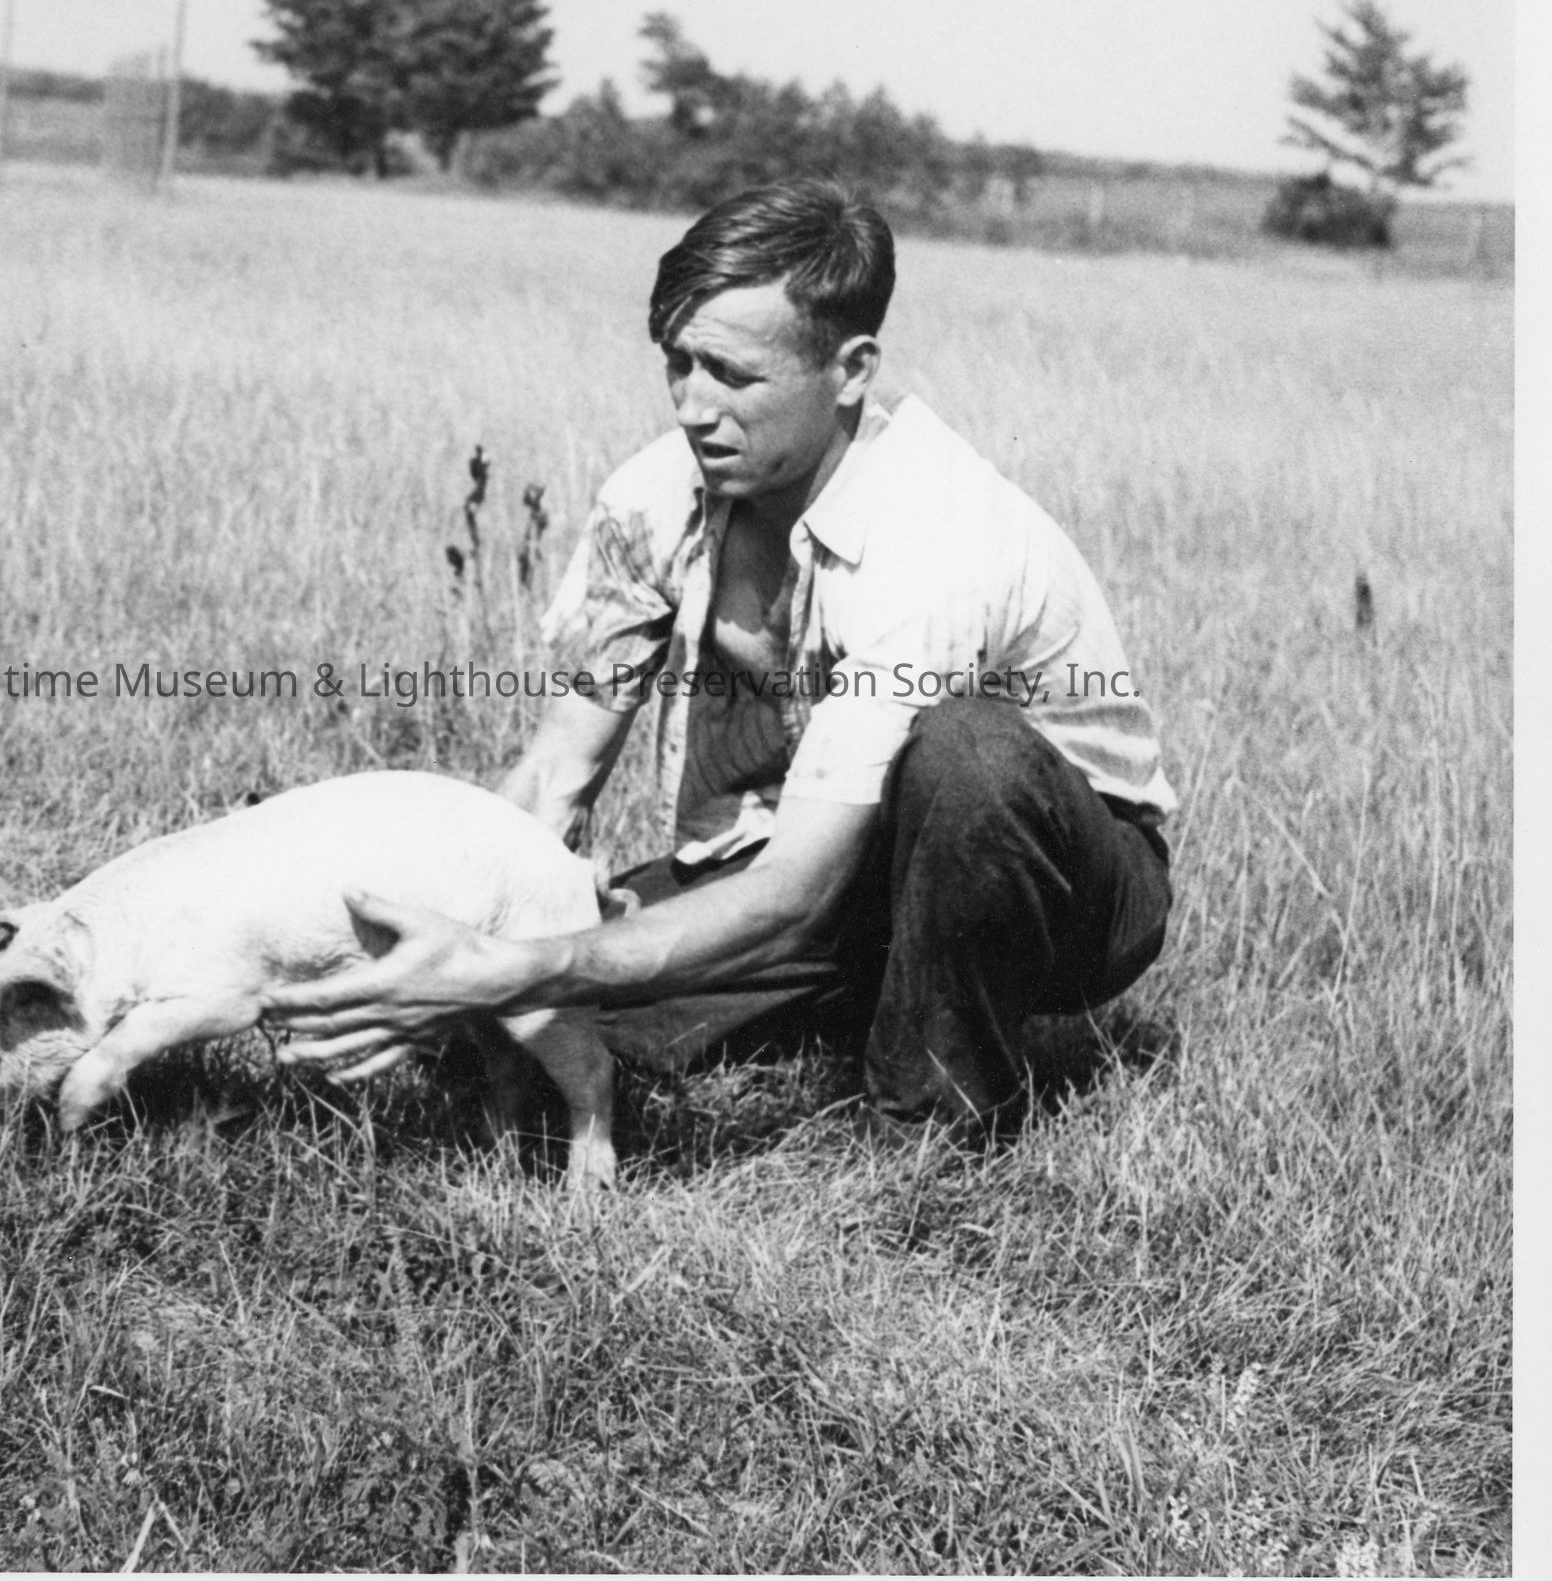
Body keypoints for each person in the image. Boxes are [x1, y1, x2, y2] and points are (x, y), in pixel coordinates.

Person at [269, 179, 1176, 1149]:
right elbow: (555, 773)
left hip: (1064, 884)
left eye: (735, 377)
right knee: (522, 1027)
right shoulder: (656, 497)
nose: (694, 408)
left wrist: (522, 966)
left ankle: (931, 1131)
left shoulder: (932, 540)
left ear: (851, 370)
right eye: (679, 363)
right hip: (814, 844)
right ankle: (854, 994)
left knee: (969, 754)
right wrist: (466, 942)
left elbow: (796, 891)